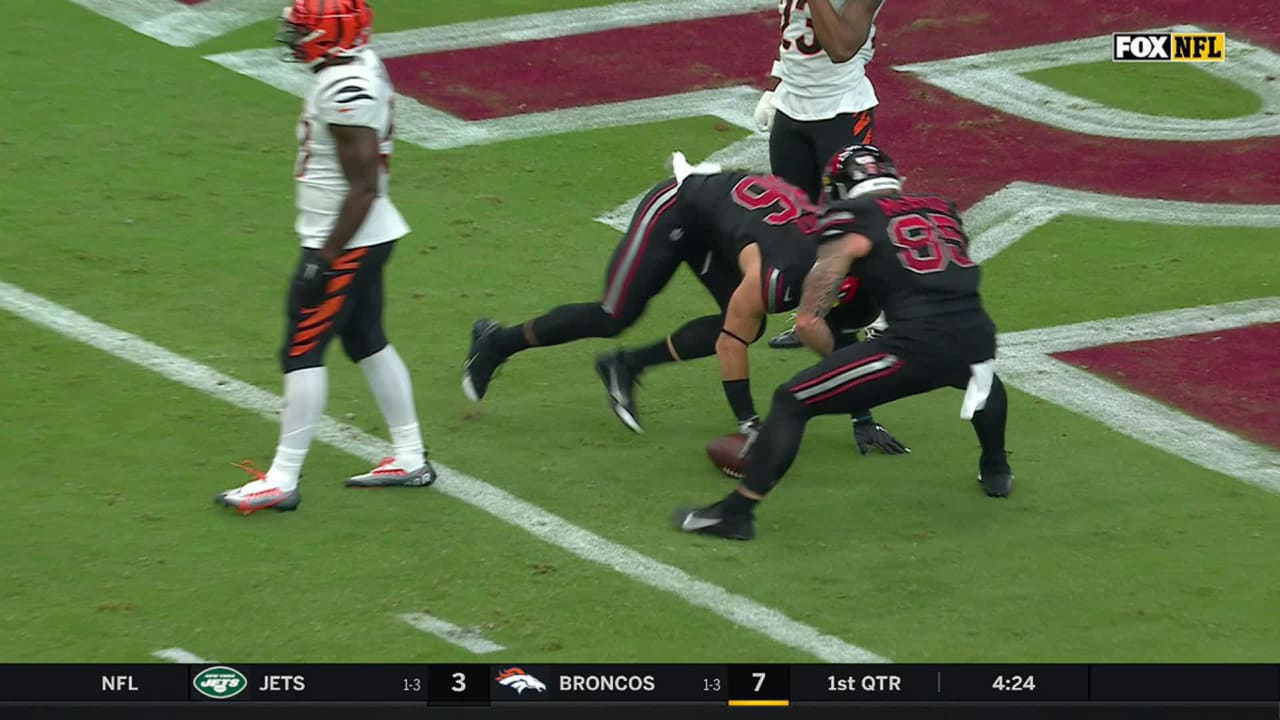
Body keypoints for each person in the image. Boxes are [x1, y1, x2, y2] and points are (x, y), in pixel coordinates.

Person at [674, 145, 1013, 541]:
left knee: (792, 400)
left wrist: (841, 360)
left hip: (914, 346)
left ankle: (737, 514)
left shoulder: (848, 219)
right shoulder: (941, 208)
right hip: (977, 335)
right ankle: (996, 468)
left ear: (839, 190)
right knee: (981, 378)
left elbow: (807, 320)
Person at [462, 154, 902, 452]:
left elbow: (842, 334)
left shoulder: (849, 261)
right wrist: (750, 426)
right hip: (681, 207)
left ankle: (626, 366)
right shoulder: (786, 269)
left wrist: (862, 418)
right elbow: (732, 343)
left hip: (730, 231)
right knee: (616, 314)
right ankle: (497, 342)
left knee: (748, 322)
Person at [216, 0, 435, 515]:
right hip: (364, 233)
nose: (292, 37)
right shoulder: (351, 66)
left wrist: (325, 258)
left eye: (301, 28)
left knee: (301, 348)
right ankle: (408, 456)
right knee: (365, 340)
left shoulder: (344, 88)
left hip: (345, 238)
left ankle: (283, 478)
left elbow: (361, 186)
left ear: (328, 35)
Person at [756, 0, 889, 350]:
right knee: (798, 224)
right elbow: (793, 27)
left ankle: (882, 313)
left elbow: (841, 48)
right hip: (792, 108)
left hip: (842, 110)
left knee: (856, 224)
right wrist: (774, 86)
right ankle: (816, 319)